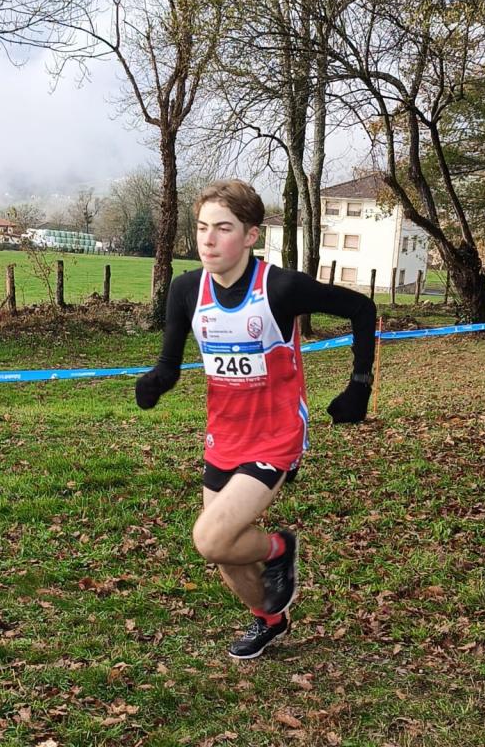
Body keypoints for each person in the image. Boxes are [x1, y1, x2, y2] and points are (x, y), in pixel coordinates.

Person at [135, 179, 377, 659]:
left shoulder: (281, 288)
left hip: (276, 435)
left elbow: (362, 308)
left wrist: (359, 385)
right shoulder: (186, 290)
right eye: (202, 227)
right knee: (225, 549)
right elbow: (170, 362)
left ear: (250, 236)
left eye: (223, 228)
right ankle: (270, 619)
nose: (208, 239)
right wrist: (156, 381)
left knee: (210, 537)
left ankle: (279, 550)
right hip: (223, 435)